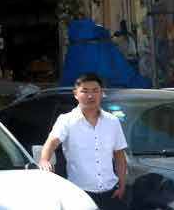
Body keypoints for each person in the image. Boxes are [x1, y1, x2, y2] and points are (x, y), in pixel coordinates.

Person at [40, 73, 128, 210]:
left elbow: (119, 153)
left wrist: (122, 182)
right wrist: (44, 159)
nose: (90, 96)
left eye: (95, 91)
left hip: (111, 192)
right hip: (80, 194)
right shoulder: (66, 120)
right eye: (85, 91)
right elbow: (52, 141)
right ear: (76, 94)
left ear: (101, 93)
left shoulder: (112, 121)